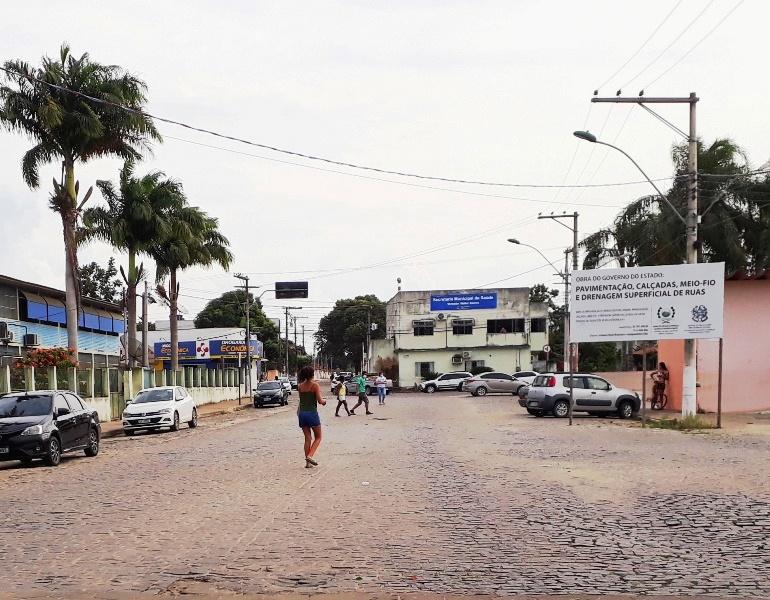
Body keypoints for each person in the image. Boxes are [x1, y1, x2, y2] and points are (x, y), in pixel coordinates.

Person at [296, 365, 326, 468]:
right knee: (318, 437)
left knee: (307, 438)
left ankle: (307, 463)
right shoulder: (315, 386)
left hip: (302, 414)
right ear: (312, 374)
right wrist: (324, 401)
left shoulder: (300, 386)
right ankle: (310, 455)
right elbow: (320, 400)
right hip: (312, 413)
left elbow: (301, 401)